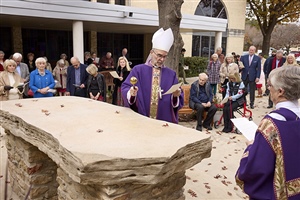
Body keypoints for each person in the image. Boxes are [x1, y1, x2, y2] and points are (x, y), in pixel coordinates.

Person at [235, 66, 300, 200]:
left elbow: (256, 168)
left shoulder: (272, 124)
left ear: (280, 91)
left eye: (270, 85)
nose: (268, 88)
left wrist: (251, 147)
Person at [121, 28, 184, 124]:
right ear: (151, 53)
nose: (161, 59)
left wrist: (175, 96)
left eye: (164, 56)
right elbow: (126, 87)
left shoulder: (171, 74)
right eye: (159, 55)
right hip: (142, 118)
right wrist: (131, 94)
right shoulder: (138, 70)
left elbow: (178, 97)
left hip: (164, 119)